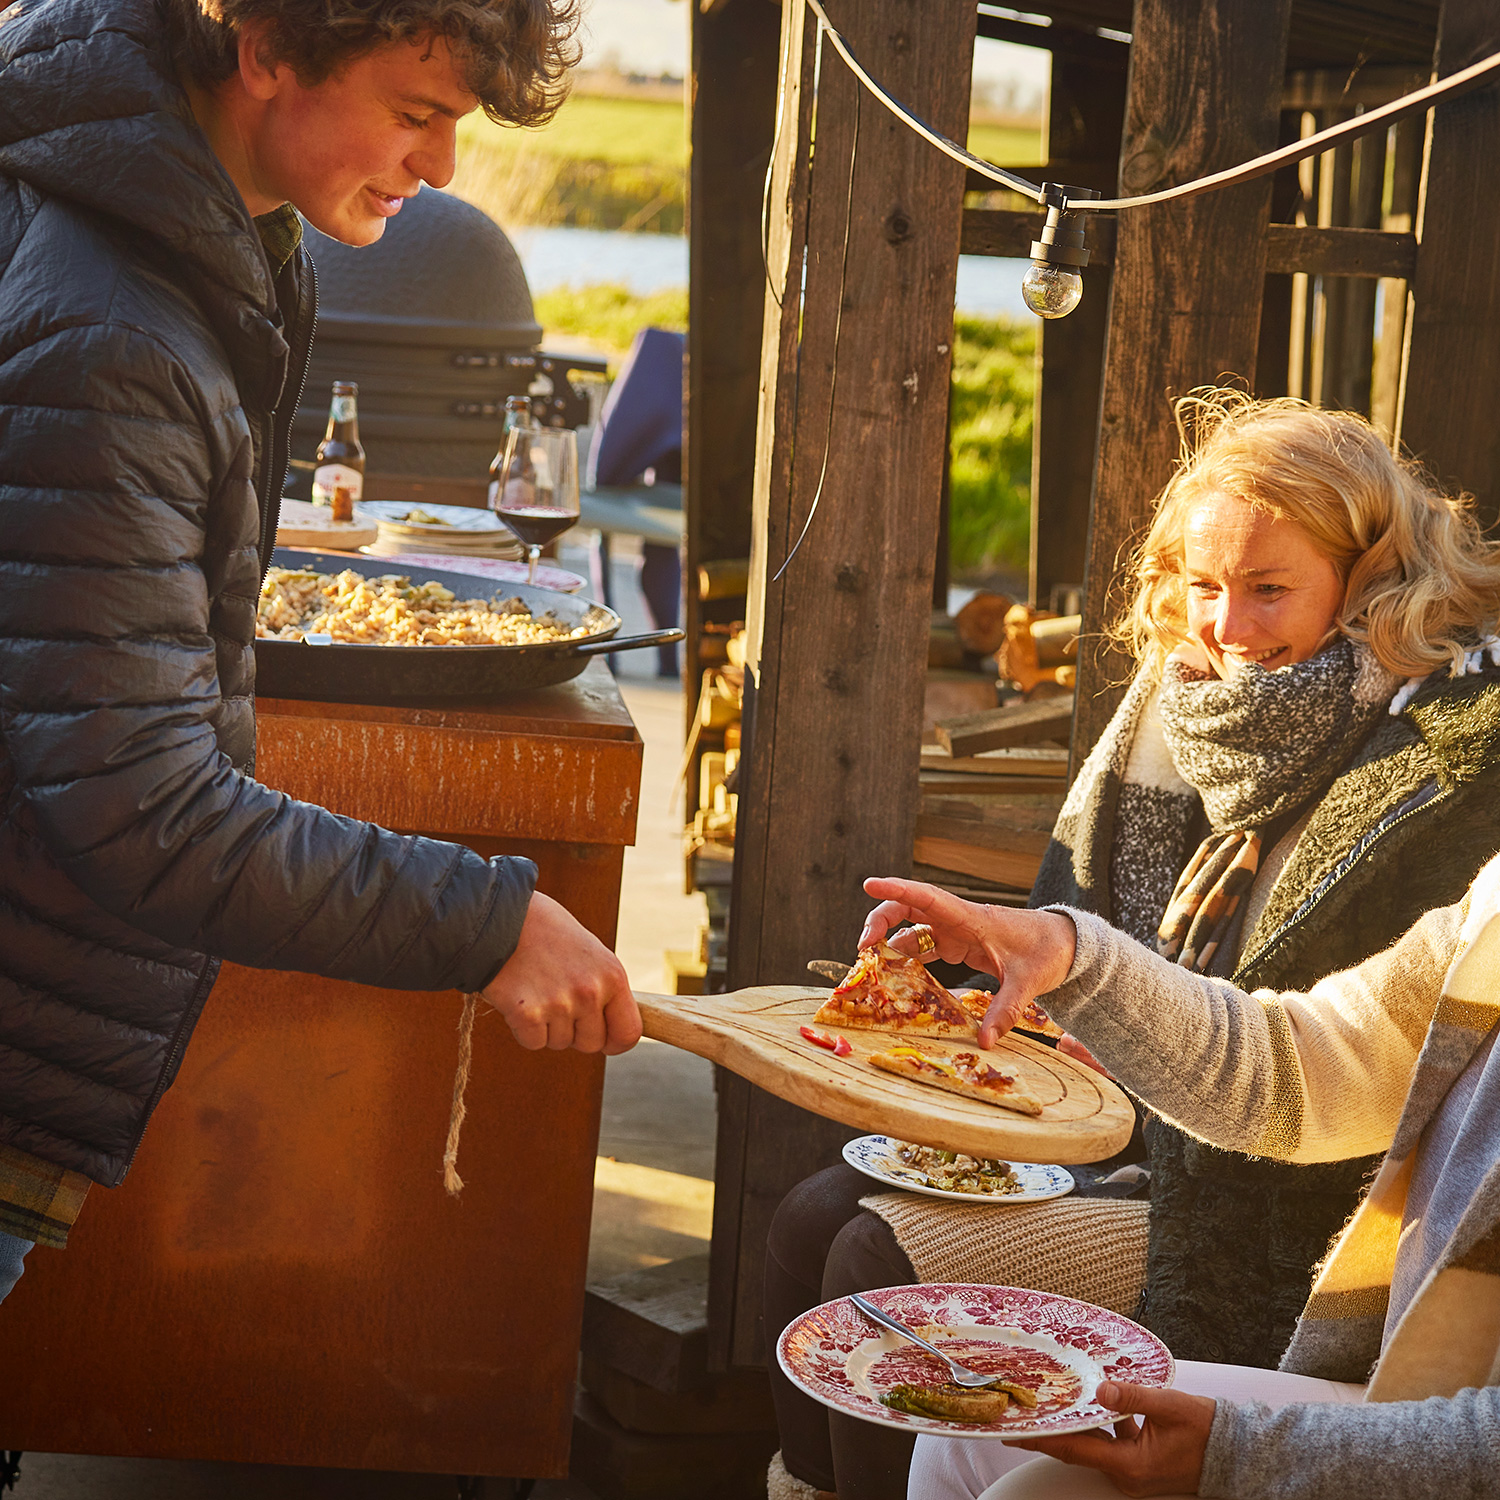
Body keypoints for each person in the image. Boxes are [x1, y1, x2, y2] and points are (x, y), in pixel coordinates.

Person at [0, 0, 639, 1306]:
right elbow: (147, 807)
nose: (446, 167)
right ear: (262, 45)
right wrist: (489, 922)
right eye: (417, 113)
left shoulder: (178, 227)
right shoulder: (111, 326)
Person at [764, 392, 1500, 1500]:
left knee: (868, 1264)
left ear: (1371, 576)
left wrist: (1238, 1449)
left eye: (1268, 589)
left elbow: (1344, 1118)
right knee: (814, 1213)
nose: (1230, 631)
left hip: (1272, 1225)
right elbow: (1299, 1058)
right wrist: (1055, 954)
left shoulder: (1451, 772)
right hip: (1173, 1129)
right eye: (1205, 588)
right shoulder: (1182, 708)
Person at [857, 870, 1500, 1500]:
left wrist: (1245, 1454)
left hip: (1449, 1451)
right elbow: (1295, 1063)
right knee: (966, 1433)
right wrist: (1068, 955)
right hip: (1408, 1396)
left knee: (1035, 1487)